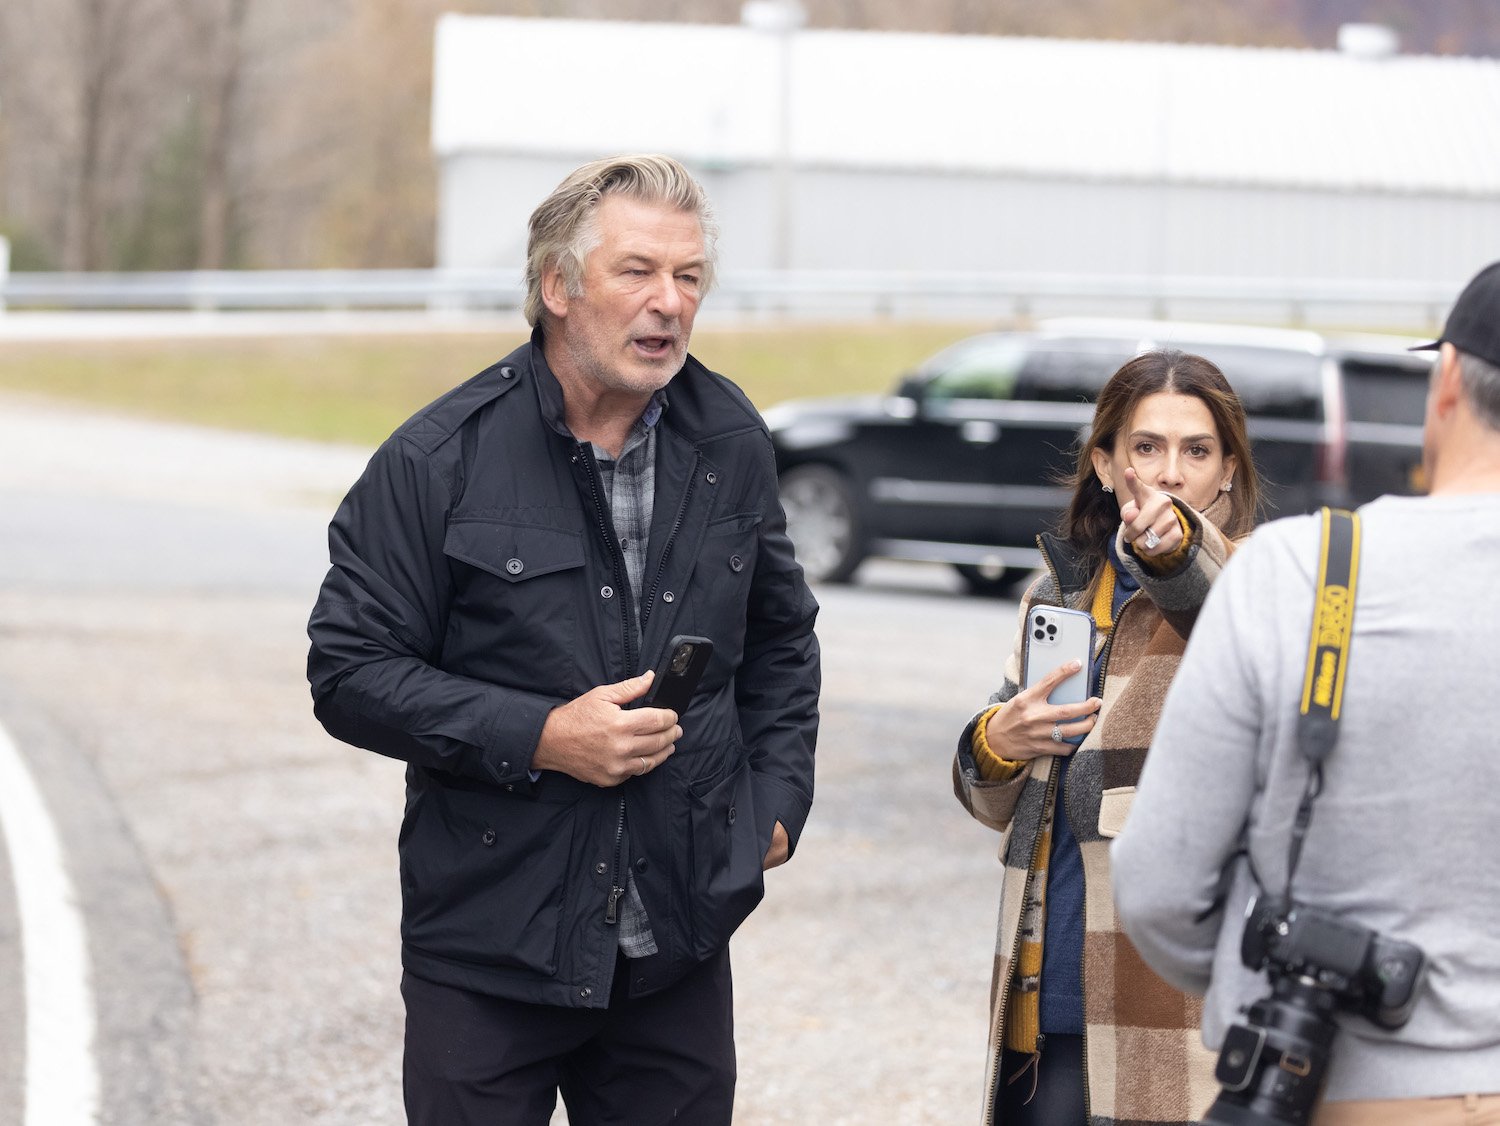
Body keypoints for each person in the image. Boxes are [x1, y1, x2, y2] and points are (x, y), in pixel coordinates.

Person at [306, 154, 820, 1126]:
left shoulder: (730, 442)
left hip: (677, 940)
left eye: (690, 276)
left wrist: (775, 806)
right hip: (492, 943)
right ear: (557, 286)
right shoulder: (436, 461)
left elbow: (784, 640)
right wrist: (542, 734)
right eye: (637, 271)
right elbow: (348, 671)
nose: (668, 302)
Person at [1112, 264, 1500, 1122]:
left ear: (1444, 386)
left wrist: (1261, 967)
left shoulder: (1307, 573)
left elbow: (1157, 888)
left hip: (1353, 1086)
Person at [952, 349, 1262, 1125]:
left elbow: (1213, 605)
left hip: (1167, 999)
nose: (1169, 472)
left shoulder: (1258, 583)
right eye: (1146, 447)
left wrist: (1171, 550)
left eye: (1197, 451)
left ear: (1227, 471)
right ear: (1105, 463)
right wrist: (999, 741)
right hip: (1041, 980)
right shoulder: (1057, 593)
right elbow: (989, 801)